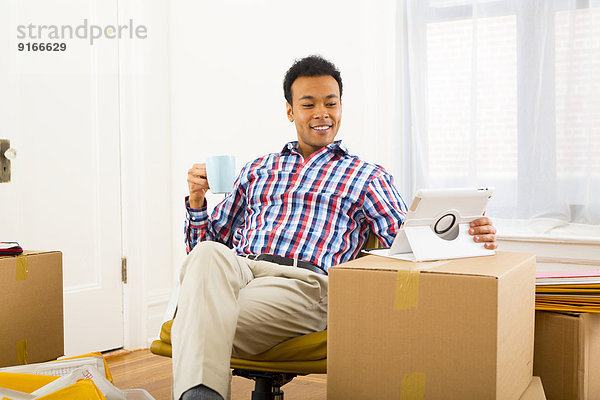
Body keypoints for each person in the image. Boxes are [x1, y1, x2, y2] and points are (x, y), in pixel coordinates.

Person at [172, 55, 498, 400]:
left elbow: (408, 243)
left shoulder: (367, 176)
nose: (321, 114)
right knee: (208, 255)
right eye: (308, 104)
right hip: (242, 270)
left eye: (331, 103)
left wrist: (464, 233)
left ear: (341, 107)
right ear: (290, 111)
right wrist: (197, 201)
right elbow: (201, 252)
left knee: (196, 317)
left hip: (305, 285)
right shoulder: (257, 169)